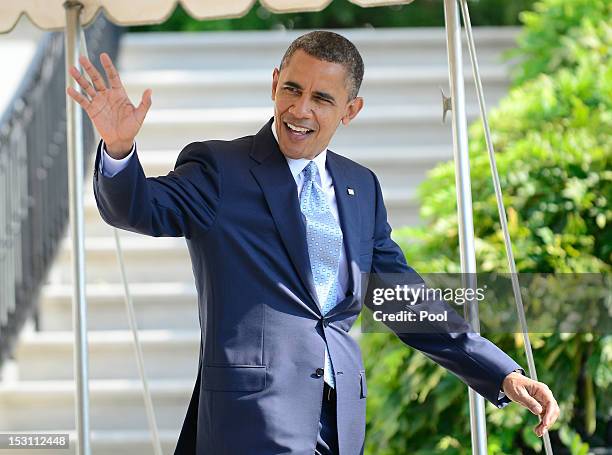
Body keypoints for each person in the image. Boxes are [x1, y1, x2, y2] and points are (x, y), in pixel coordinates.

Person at [67, 30, 559, 455]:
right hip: (250, 418)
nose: (300, 109)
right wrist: (118, 149)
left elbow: (401, 299)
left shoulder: (360, 186)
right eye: (292, 89)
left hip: (338, 420)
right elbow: (137, 207)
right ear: (274, 84)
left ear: (351, 109)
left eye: (321, 99)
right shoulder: (220, 169)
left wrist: (502, 373)